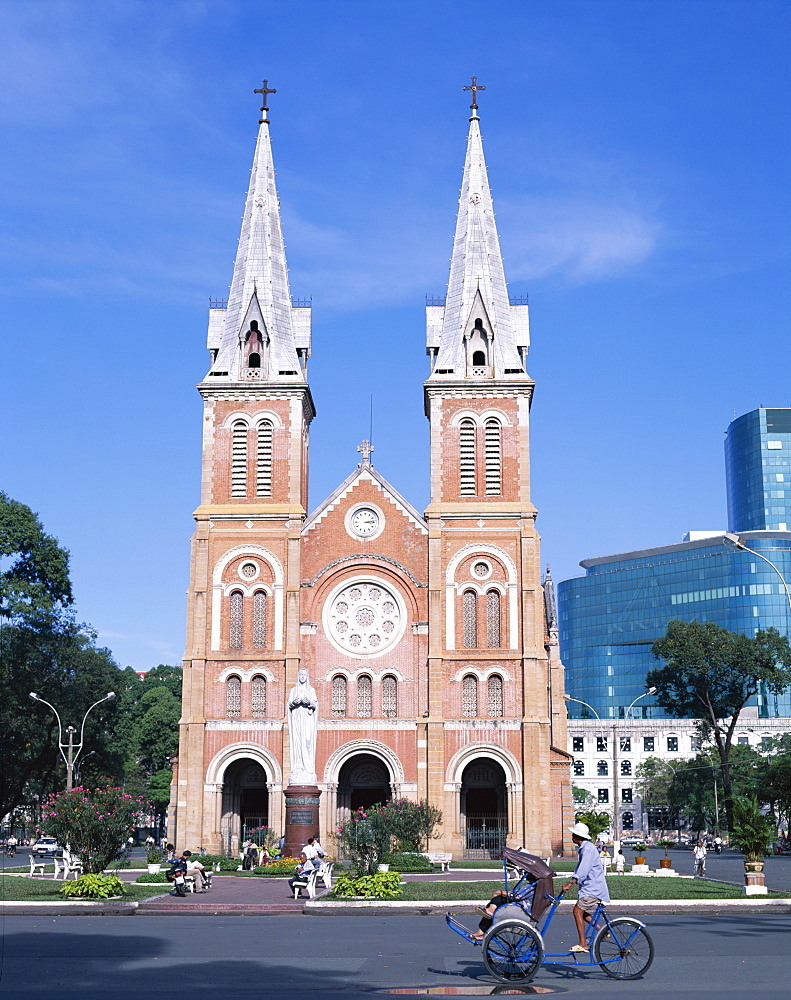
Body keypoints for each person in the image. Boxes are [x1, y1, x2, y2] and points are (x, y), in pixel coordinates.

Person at [561, 821, 611, 952]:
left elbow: (583, 870)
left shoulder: (587, 849)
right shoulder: (585, 848)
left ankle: (582, 943)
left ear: (577, 836)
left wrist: (570, 883)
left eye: (573, 835)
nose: (572, 836)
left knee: (577, 911)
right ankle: (602, 930)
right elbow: (580, 869)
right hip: (590, 887)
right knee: (581, 912)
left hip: (593, 888)